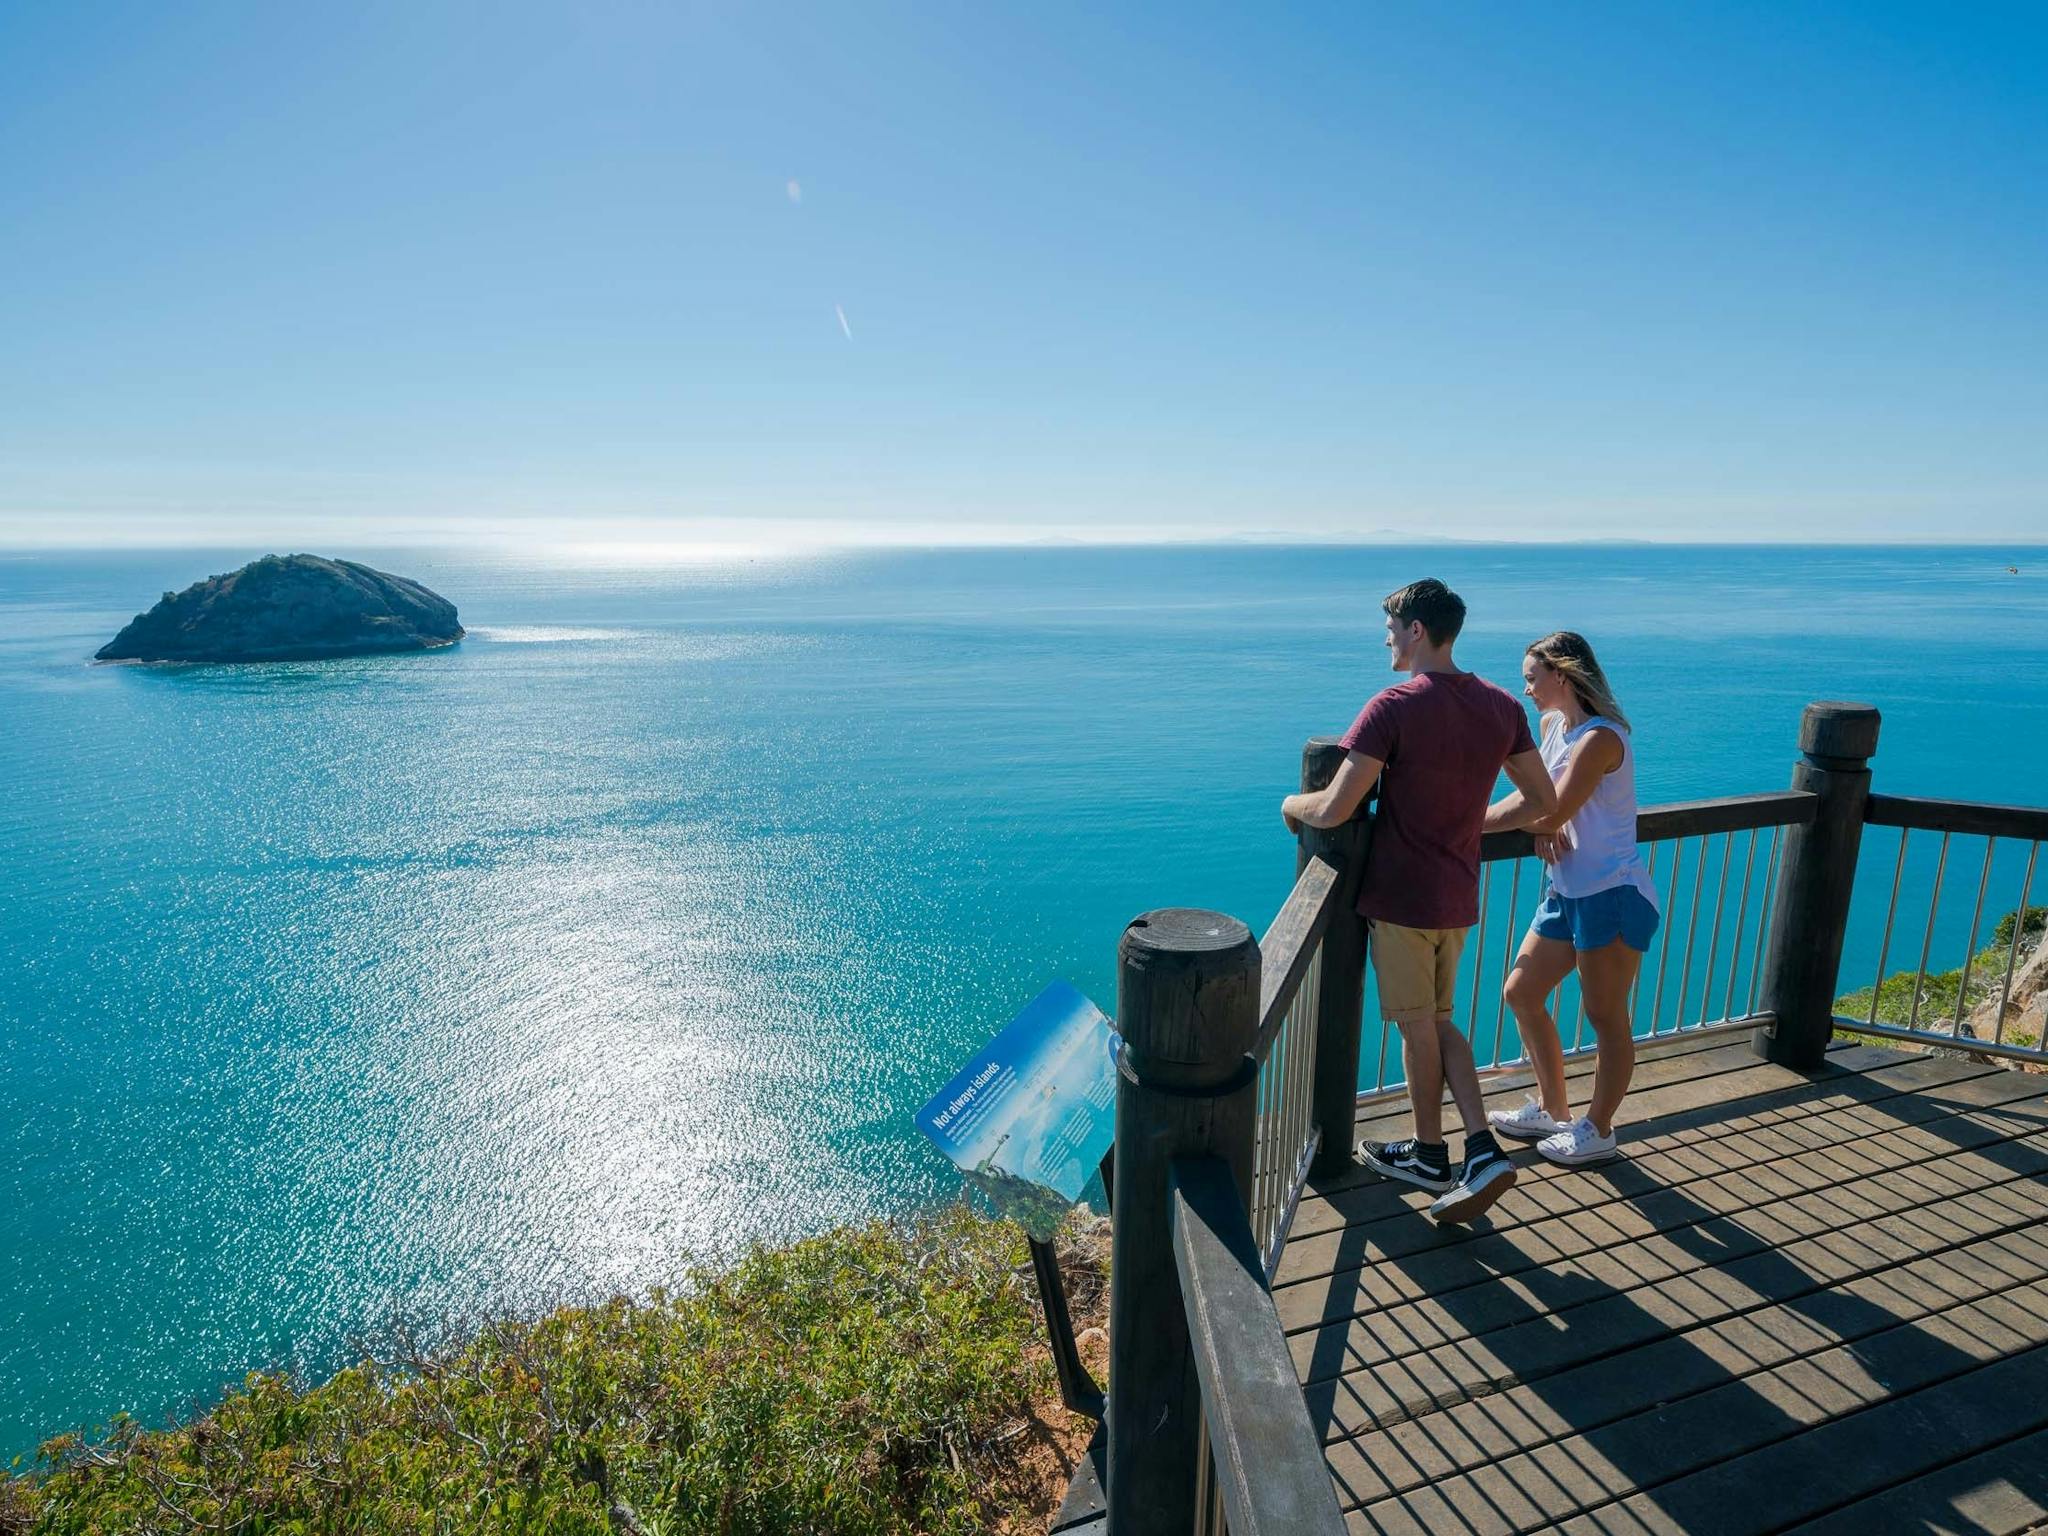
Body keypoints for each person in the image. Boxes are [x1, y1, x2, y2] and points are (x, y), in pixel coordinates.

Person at [1282, 578, 1557, 1224]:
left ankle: (1436, 1154)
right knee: (1436, 1021)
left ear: (1415, 631)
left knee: (1417, 1028)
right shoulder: (1499, 708)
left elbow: (1334, 807)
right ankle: (1471, 1149)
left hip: (1402, 898)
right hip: (1457, 894)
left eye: (1391, 627)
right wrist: (1471, 825)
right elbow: (1542, 802)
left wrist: (1289, 806)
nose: (1385, 638)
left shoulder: (1393, 708)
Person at [1483, 631, 1660, 1165]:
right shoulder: (1555, 726)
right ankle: (1554, 1111)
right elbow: (1544, 807)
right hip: (1568, 892)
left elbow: (1552, 807)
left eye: (1533, 678)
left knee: (1605, 1016)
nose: (1527, 689)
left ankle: (1598, 1130)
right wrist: (1541, 827)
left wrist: (1466, 827)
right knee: (1521, 990)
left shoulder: (1602, 740)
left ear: (1562, 675)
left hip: (1613, 893)